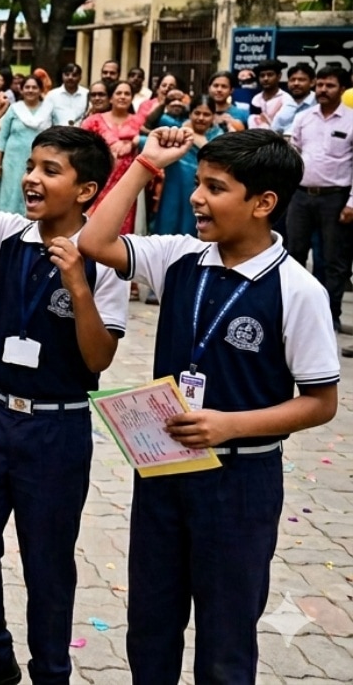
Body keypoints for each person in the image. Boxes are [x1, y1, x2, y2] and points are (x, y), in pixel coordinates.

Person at [78, 127, 338, 685]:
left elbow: (321, 403)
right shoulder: (180, 256)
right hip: (165, 467)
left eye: (215, 187)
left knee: (225, 636)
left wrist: (230, 425)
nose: (196, 198)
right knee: (150, 622)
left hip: (240, 481)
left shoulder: (297, 290)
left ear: (263, 203)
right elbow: (94, 243)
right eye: (197, 183)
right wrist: (146, 165)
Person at [0, 97, 126, 685]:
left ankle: (51, 671)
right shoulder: (9, 232)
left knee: (47, 563)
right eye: (30, 165)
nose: (31, 179)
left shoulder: (104, 259)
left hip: (56, 428)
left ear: (86, 191)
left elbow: (99, 357)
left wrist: (77, 284)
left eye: (49, 170)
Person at [286, 66, 353, 334]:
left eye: (330, 85)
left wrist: (351, 203)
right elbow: (293, 154)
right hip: (301, 196)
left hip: (335, 199)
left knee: (334, 261)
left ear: (343, 89)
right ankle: (291, 310)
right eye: (320, 85)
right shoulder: (303, 118)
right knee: (294, 255)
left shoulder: (350, 120)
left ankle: (330, 314)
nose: (323, 90)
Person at [80, 81, 151, 236]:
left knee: (122, 226)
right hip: (100, 180)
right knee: (93, 224)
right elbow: (79, 146)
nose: (123, 97)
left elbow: (151, 139)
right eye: (119, 93)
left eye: (127, 94)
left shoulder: (138, 122)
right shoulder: (94, 120)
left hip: (128, 182)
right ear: (110, 98)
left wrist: (135, 142)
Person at [151, 96, 224, 236]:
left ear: (213, 116)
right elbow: (149, 126)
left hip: (203, 196)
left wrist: (200, 141)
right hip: (173, 192)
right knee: (167, 230)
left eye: (207, 114)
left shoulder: (220, 138)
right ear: (190, 113)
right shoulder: (176, 134)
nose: (201, 118)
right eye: (197, 113)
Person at [0, 76, 60, 215]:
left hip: (40, 162)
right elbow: (2, 137)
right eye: (27, 87)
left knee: (36, 191)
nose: (30, 90)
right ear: (21, 90)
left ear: (40, 90)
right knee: (11, 193)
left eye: (34, 87)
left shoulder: (49, 110)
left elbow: (58, 135)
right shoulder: (14, 109)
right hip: (13, 162)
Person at [272, 62, 317, 134]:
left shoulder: (319, 102)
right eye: (292, 80)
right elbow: (274, 130)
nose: (296, 83)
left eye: (301, 80)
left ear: (312, 82)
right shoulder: (285, 102)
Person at [249, 59, 287, 129]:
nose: (265, 78)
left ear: (279, 76)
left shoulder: (286, 99)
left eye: (270, 75)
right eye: (262, 75)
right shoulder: (256, 99)